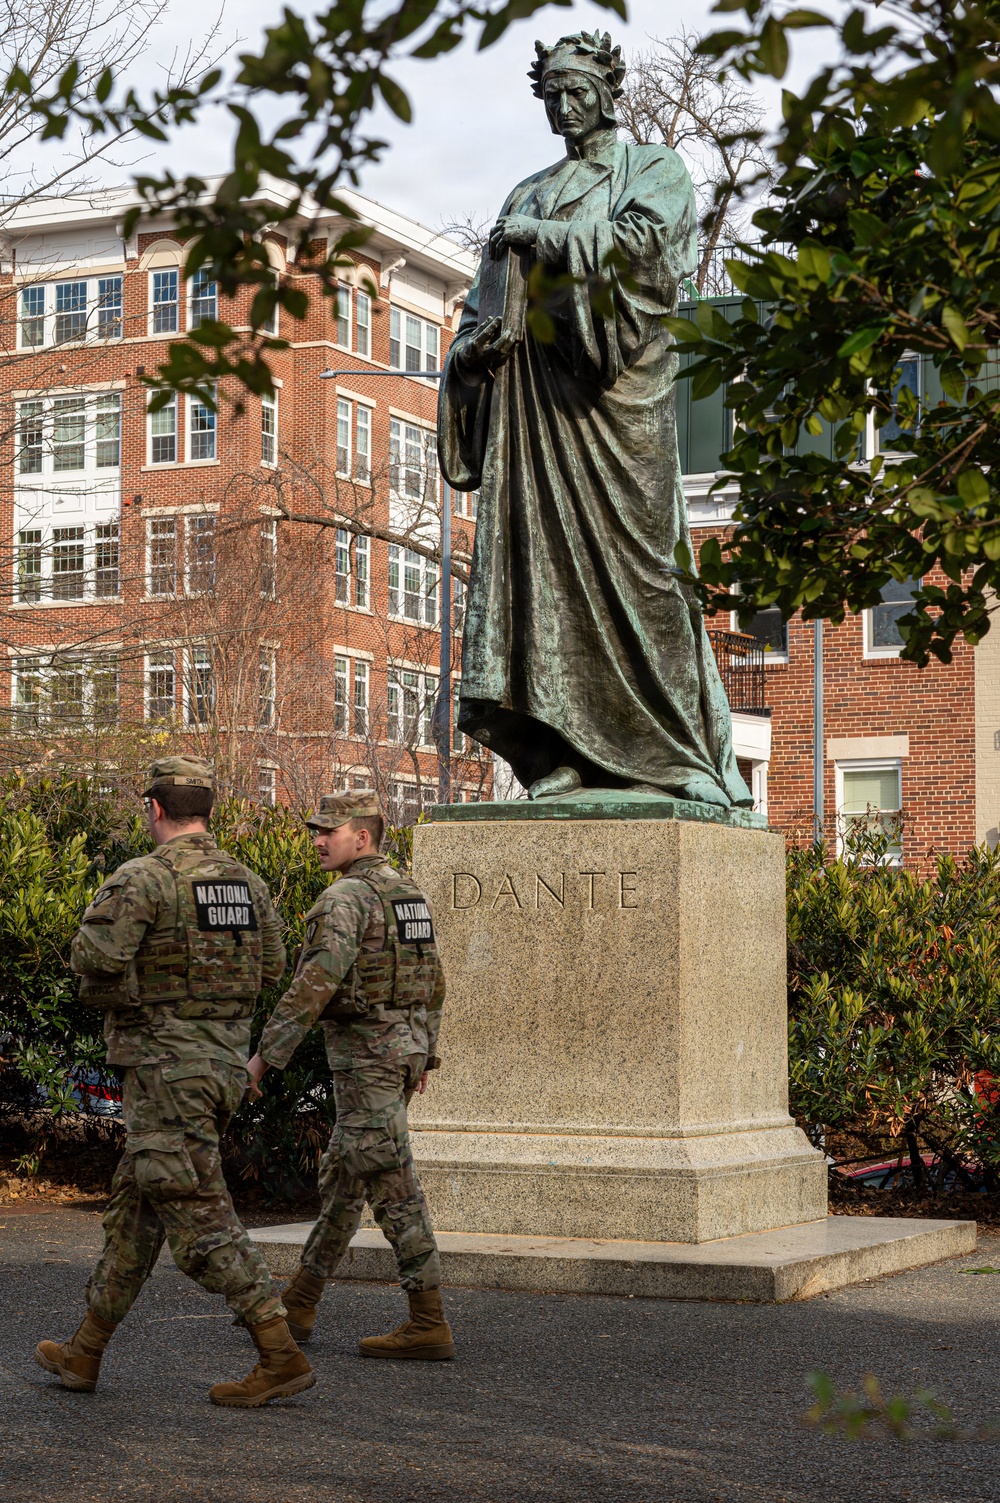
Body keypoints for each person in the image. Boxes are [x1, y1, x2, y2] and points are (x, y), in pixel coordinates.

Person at [437, 29, 751, 810]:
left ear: (609, 91)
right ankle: (559, 748)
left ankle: (678, 756)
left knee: (646, 579)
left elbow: (647, 253)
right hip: (533, 418)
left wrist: (544, 240)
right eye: (551, 97)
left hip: (617, 408)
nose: (564, 109)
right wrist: (471, 354)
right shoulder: (526, 191)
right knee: (537, 578)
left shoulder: (654, 169)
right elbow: (483, 305)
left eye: (577, 92)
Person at [35, 756, 315, 1408]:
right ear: (206, 812)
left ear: (155, 809)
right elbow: (273, 964)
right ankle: (85, 1350)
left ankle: (280, 1352)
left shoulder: (144, 877)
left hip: (165, 1073)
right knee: (136, 1212)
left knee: (197, 1219)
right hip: (219, 1072)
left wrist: (124, 989)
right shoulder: (247, 883)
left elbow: (94, 957)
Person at [246, 790, 453, 1360]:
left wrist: (264, 1057)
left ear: (361, 838)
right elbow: (433, 981)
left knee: (393, 1186)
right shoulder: (408, 893)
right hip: (399, 1056)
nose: (317, 840)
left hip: (367, 1059)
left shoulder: (345, 899)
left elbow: (313, 985)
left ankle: (428, 1320)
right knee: (345, 1176)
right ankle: (302, 1301)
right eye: (316, 830)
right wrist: (423, 1054)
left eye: (327, 832)